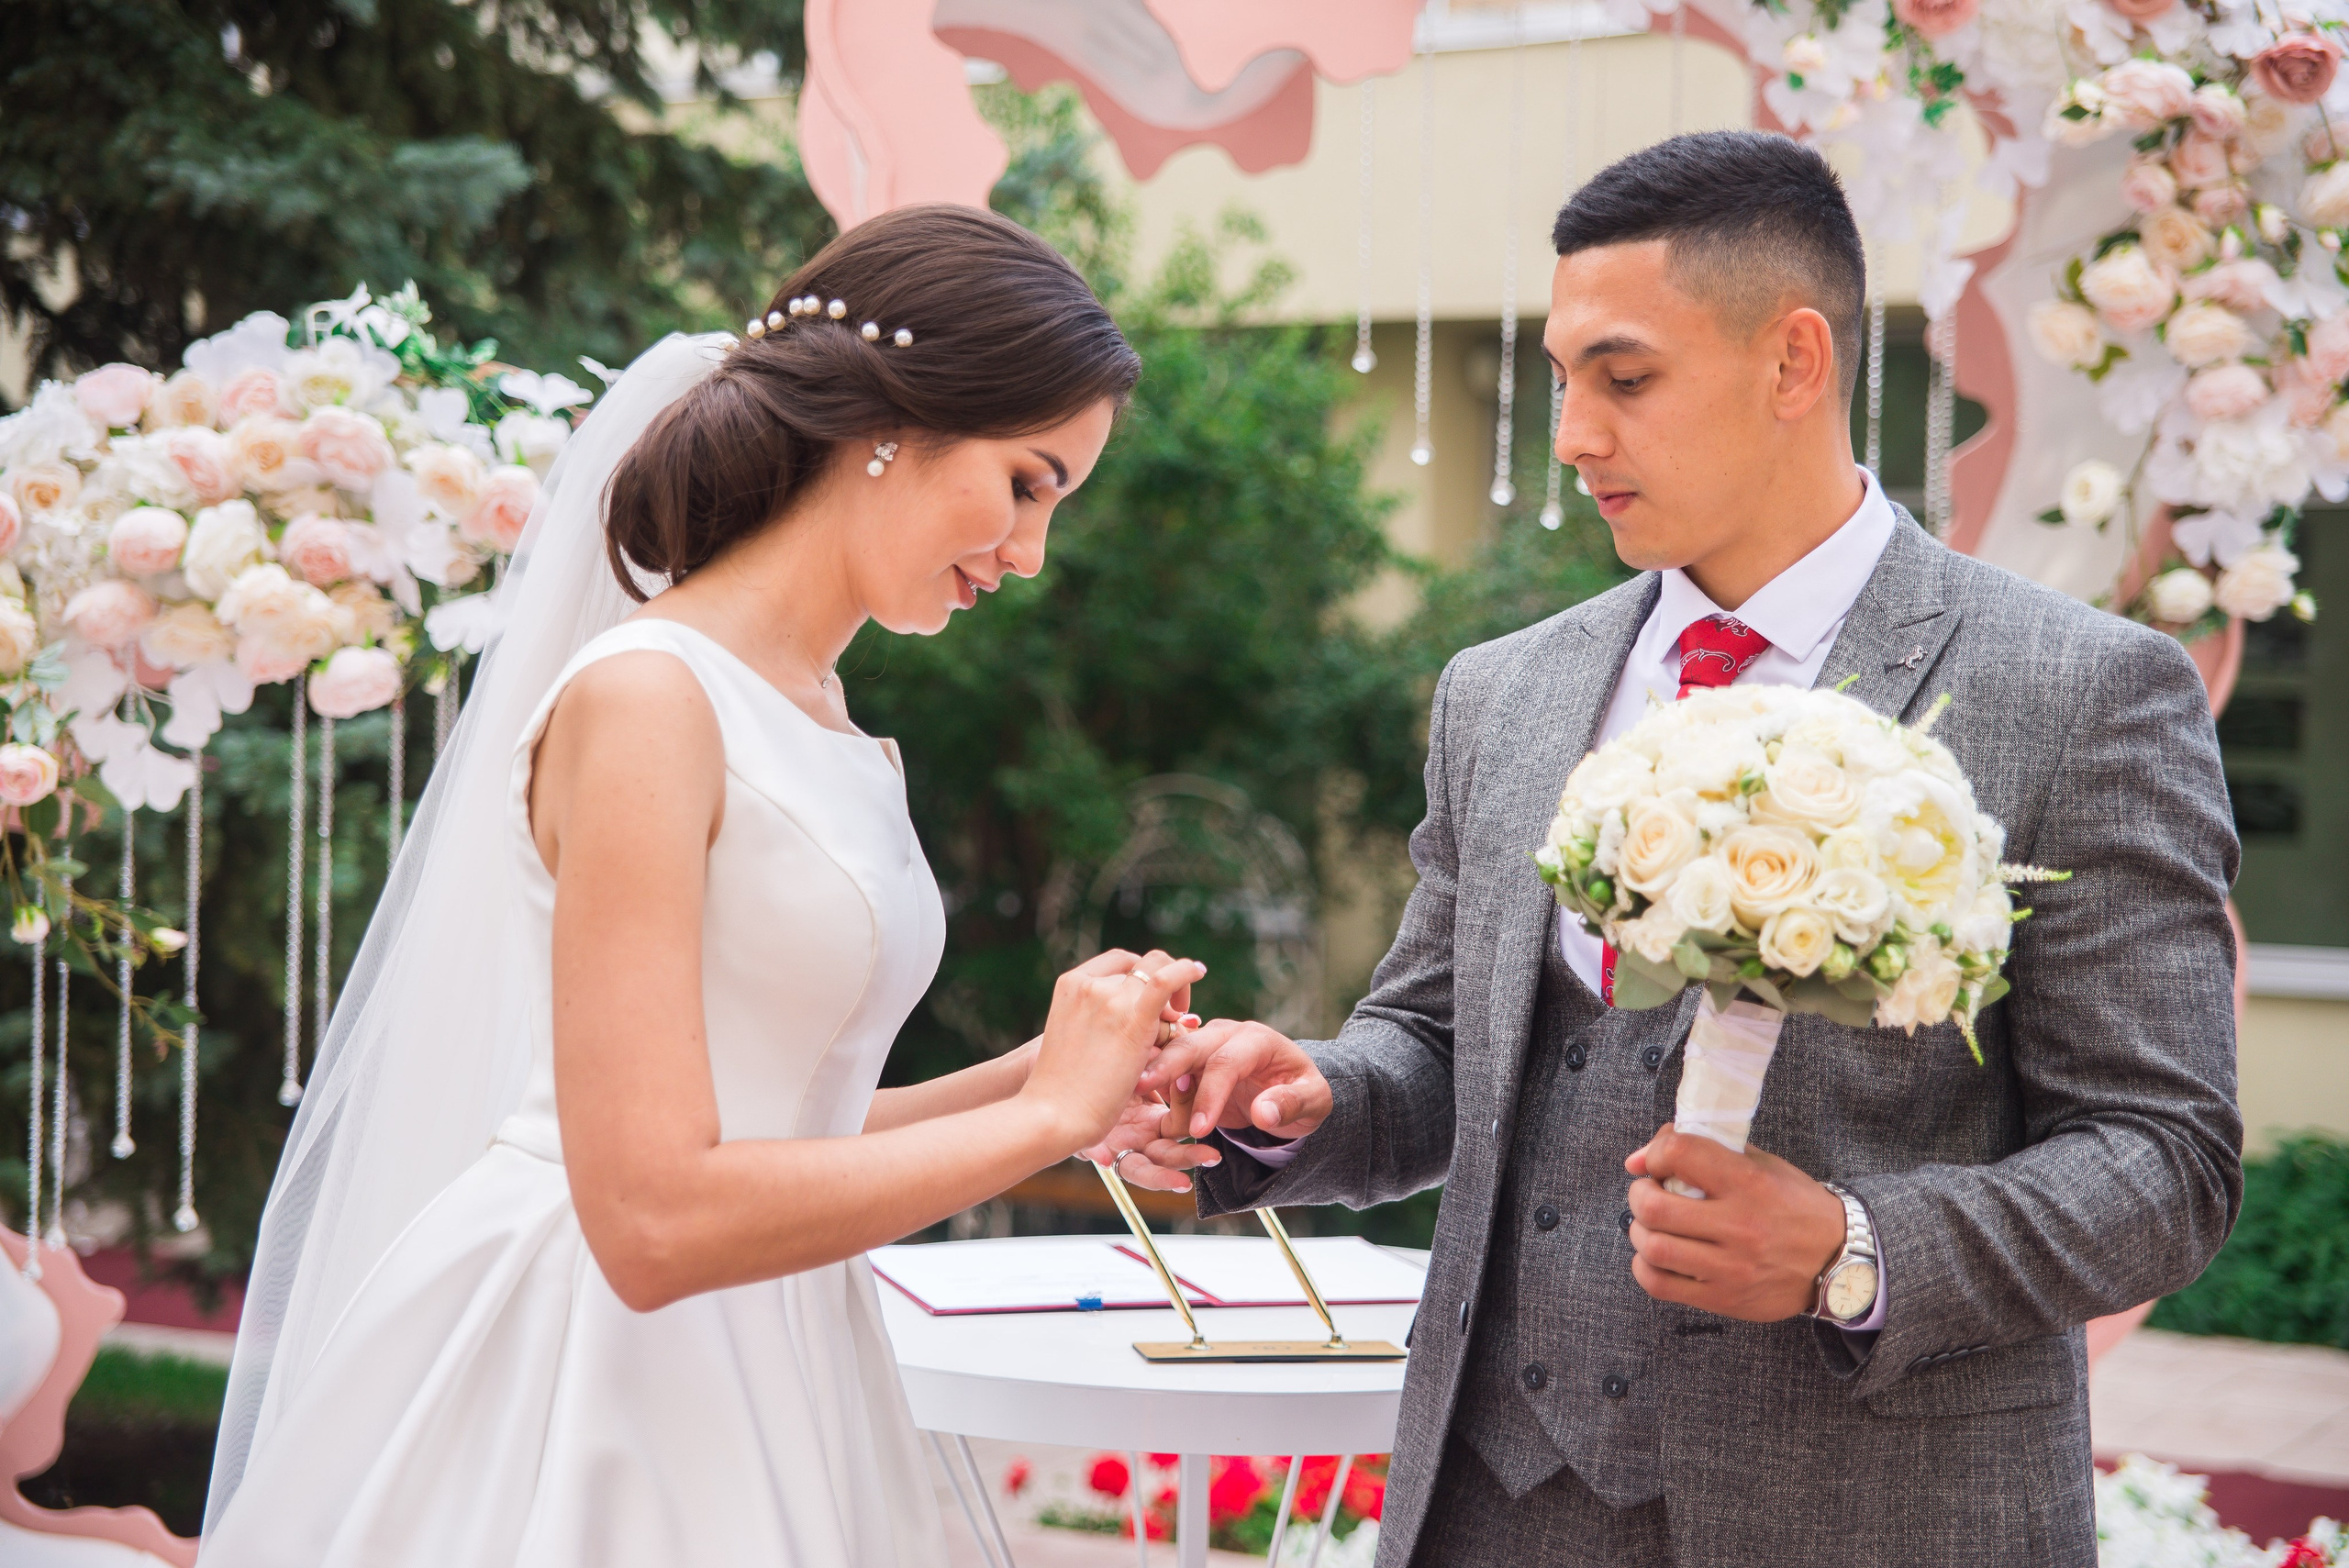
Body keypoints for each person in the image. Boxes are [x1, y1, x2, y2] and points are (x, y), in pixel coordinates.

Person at [1100, 131, 2243, 1567]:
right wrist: (1301, 1097)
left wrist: (1853, 1247)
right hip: (1493, 1512)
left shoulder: (2078, 692)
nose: (1574, 434)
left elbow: (2167, 1162)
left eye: (1623, 378)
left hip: (1870, 1522)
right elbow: (1444, 1048)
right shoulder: (1500, 692)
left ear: (1795, 361)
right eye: (1563, 378)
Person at [201, 205, 1201, 1565]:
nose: (1030, 553)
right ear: (888, 421)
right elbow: (654, 1216)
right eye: (1027, 483)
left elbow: (787, 1114)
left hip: (783, 1341)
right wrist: (1039, 1124)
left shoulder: (826, 715)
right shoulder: (650, 702)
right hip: (603, 1382)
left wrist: (1051, 1082)